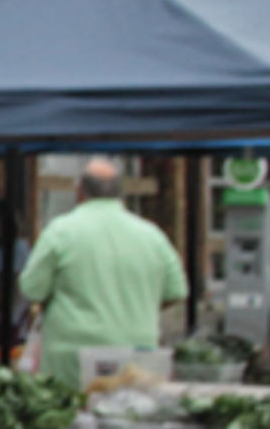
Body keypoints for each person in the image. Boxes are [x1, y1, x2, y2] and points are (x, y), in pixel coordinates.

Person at [19, 156, 187, 380]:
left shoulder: (60, 231)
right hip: (137, 350)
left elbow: (31, 289)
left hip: (72, 351)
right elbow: (177, 291)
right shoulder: (152, 235)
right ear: (121, 193)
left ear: (80, 192)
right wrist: (136, 307)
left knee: (71, 411)